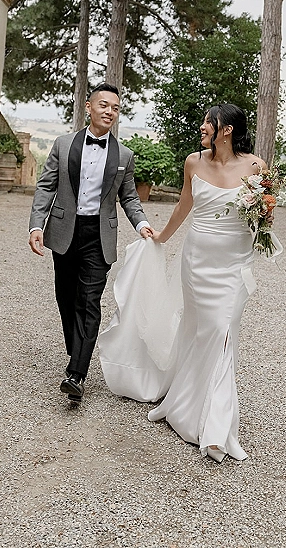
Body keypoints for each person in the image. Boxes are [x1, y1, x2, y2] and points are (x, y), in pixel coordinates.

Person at [100, 103, 266, 462]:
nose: (203, 126)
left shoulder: (255, 166)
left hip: (234, 265)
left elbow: (266, 215)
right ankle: (184, 406)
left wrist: (263, 212)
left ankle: (217, 427)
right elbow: (183, 207)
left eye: (210, 122)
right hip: (197, 263)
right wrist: (161, 236)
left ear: (227, 130)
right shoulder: (194, 162)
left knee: (222, 331)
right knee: (196, 332)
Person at [28, 82, 153, 402]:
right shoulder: (63, 144)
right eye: (104, 105)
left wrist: (142, 225)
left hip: (99, 236)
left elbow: (129, 198)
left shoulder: (124, 155)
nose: (110, 112)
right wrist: (35, 226)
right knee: (66, 298)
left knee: (90, 301)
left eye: (115, 108)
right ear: (89, 107)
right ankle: (78, 350)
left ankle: (76, 374)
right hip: (64, 232)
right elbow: (46, 187)